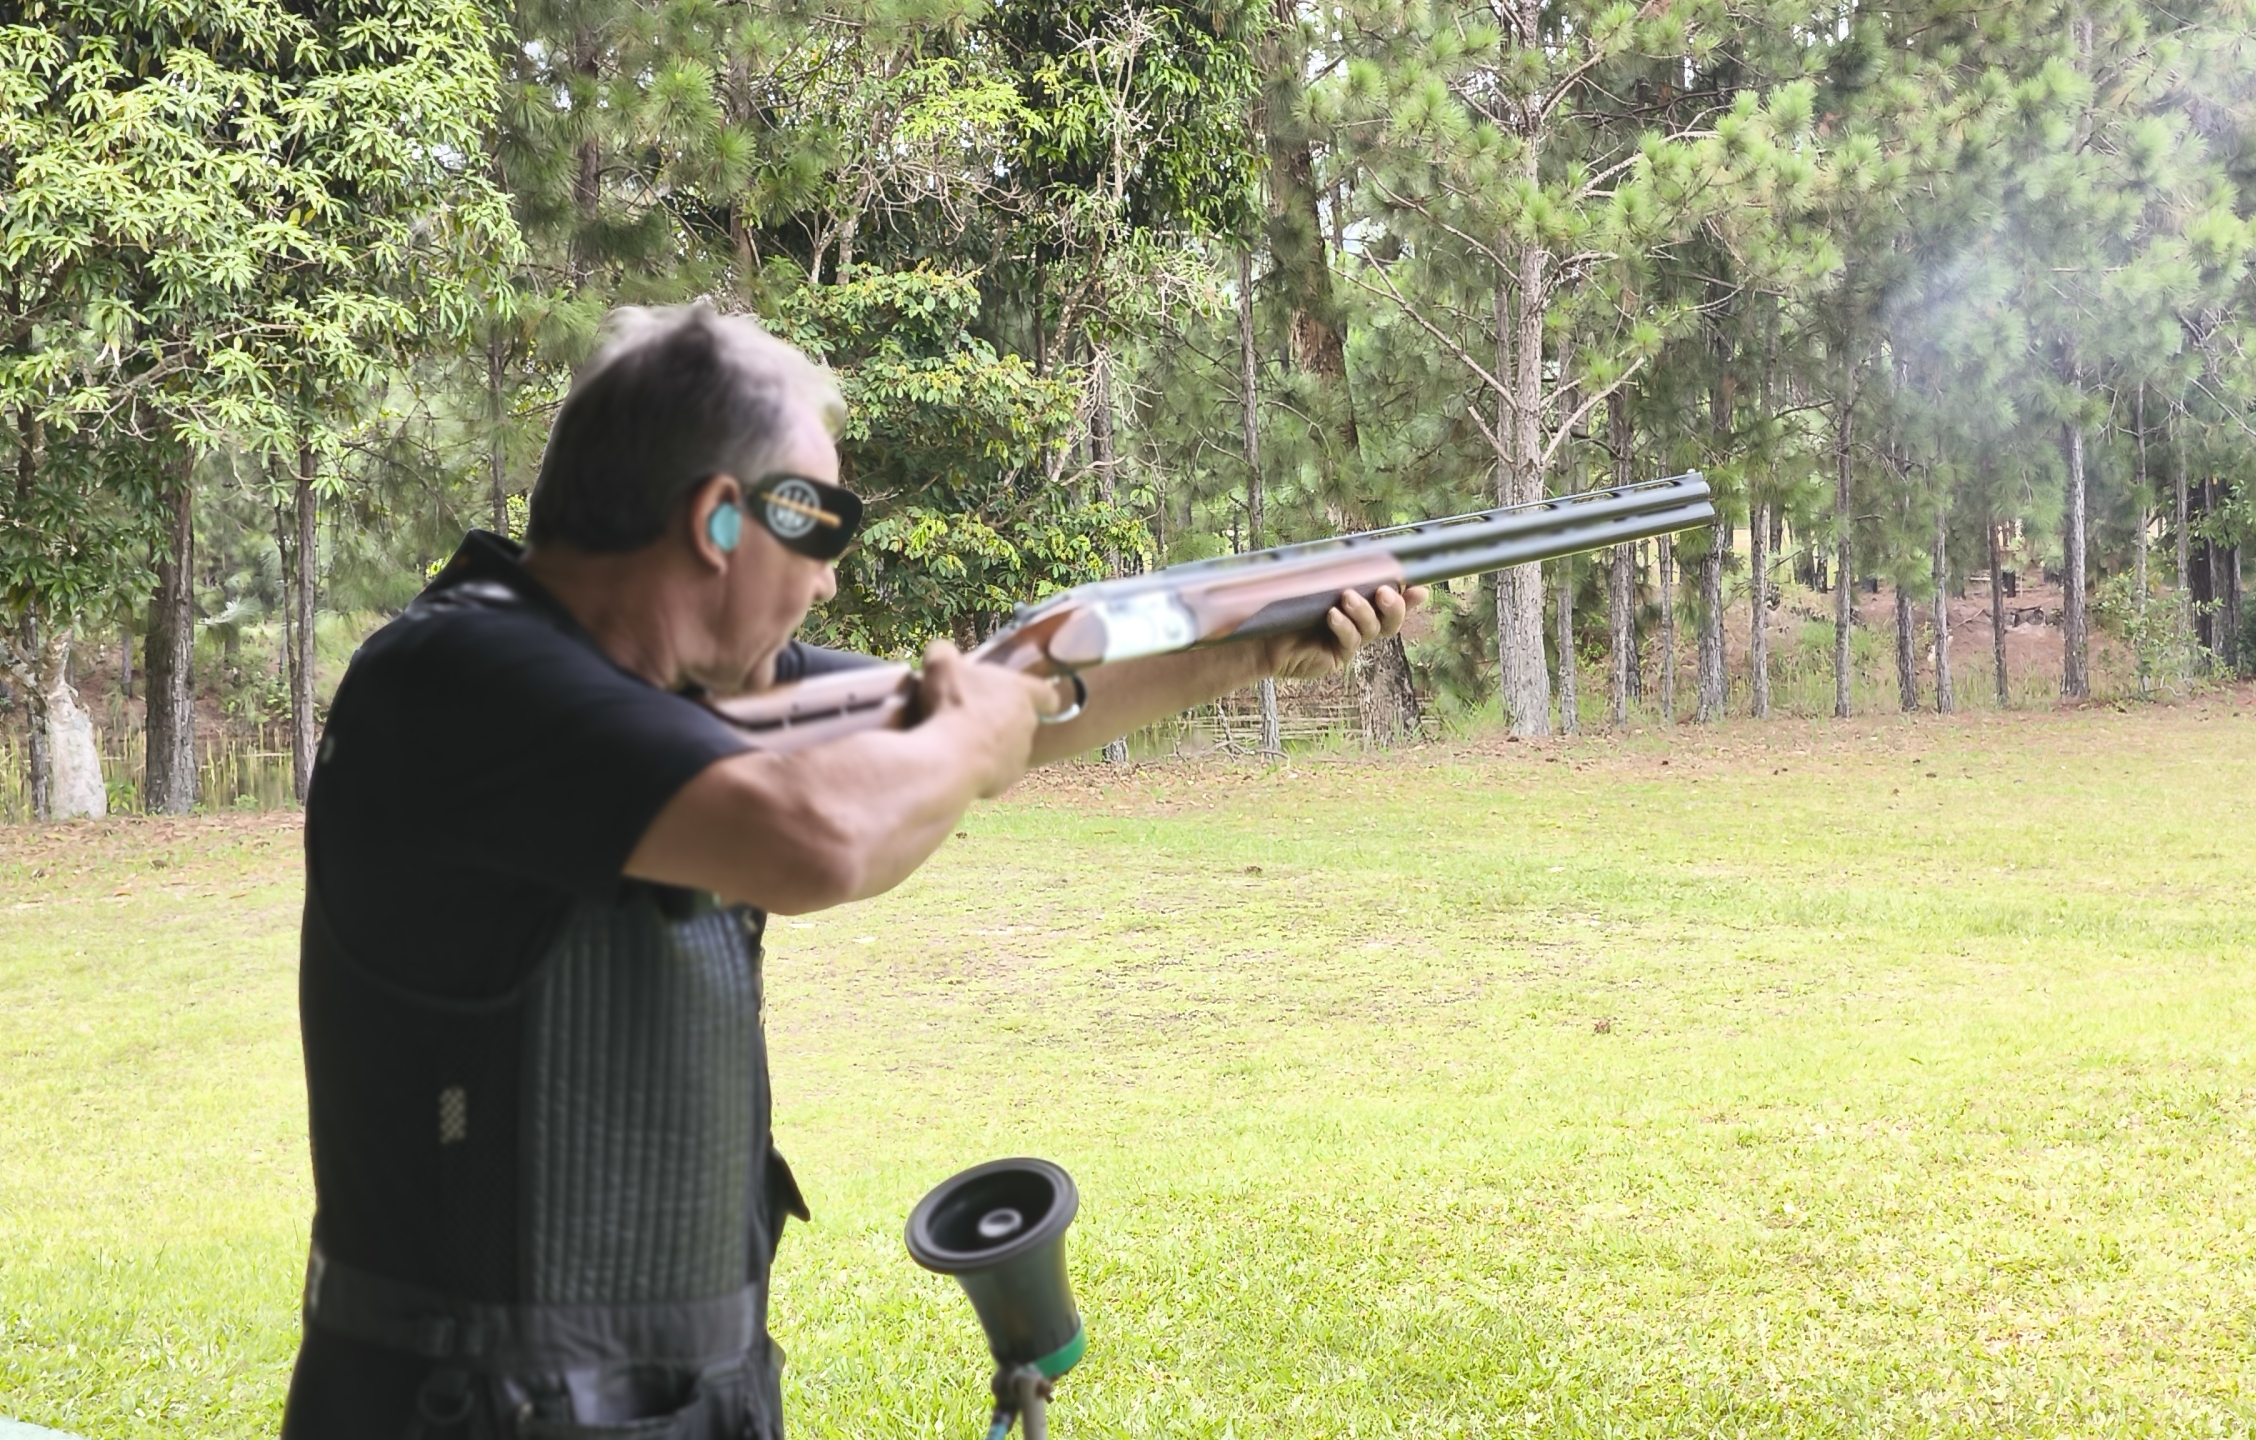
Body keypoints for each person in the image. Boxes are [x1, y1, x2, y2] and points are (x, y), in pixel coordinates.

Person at [282, 303, 1415, 1439]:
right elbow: (821, 838)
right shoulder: (459, 678)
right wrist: (969, 735)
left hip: (682, 1396)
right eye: (818, 530)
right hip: (466, 1410)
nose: (826, 583)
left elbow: (1017, 711)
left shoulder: (684, 688)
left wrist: (1251, 648)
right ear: (720, 520)